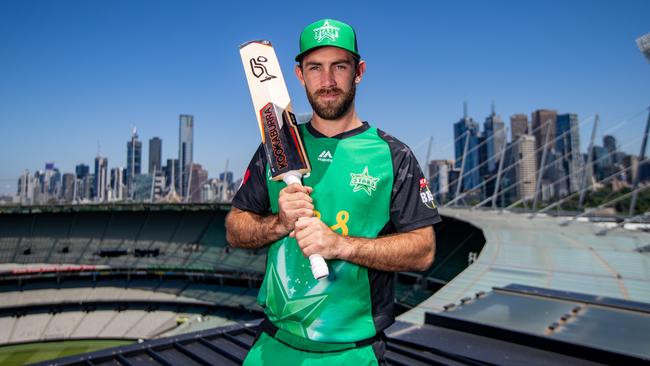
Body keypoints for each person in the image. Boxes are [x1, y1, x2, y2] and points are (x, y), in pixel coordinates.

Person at [226, 18, 441, 365]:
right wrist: (280, 224)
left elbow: (423, 250)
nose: (327, 81)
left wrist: (340, 246)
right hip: (272, 346)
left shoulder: (392, 155)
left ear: (359, 71)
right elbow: (236, 230)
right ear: (299, 75)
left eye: (339, 66)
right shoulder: (277, 144)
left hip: (352, 354)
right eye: (315, 67)